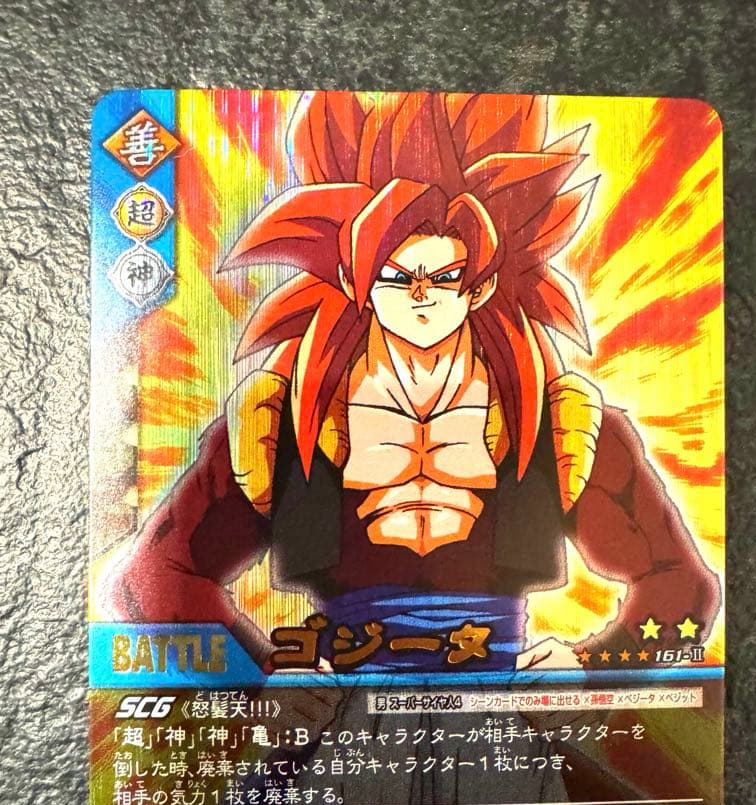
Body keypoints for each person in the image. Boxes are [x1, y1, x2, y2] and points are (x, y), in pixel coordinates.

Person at [109, 91, 720, 673]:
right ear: (354, 279)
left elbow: (683, 585)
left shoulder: (559, 424)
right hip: (342, 715)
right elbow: (150, 582)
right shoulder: (278, 423)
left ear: (480, 284)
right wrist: (264, 675)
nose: (421, 296)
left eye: (445, 277)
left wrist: (590, 666)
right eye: (398, 277)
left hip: (501, 713)